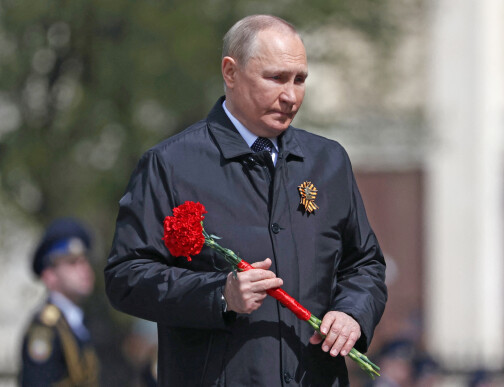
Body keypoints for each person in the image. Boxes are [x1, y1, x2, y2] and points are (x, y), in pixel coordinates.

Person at [105, 14, 387, 386]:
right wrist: (219, 294)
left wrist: (351, 313)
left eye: (299, 79)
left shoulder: (328, 162)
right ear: (231, 72)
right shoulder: (171, 164)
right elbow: (126, 276)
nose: (290, 95)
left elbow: (364, 263)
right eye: (275, 78)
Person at [20, 218, 99, 386]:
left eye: (85, 260)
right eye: (72, 262)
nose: (84, 268)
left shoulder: (78, 321)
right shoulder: (45, 327)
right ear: (49, 276)